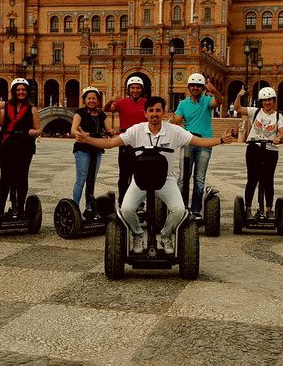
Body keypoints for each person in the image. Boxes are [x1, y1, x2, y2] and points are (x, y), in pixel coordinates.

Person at [76, 96, 233, 254]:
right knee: (127, 209)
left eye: (158, 110)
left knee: (179, 210)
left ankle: (165, 235)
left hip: (166, 180)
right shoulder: (136, 130)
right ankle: (138, 234)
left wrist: (220, 140)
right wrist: (87, 139)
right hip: (140, 180)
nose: (154, 114)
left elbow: (198, 141)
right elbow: (110, 143)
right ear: (145, 113)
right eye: (151, 110)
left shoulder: (174, 131)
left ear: (163, 112)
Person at [171, 73, 223, 218]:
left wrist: (214, 91)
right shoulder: (183, 104)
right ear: (189, 87)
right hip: (188, 142)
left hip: (205, 143)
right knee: (183, 177)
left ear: (202, 88)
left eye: (198, 86)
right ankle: (180, 208)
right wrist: (174, 119)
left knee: (199, 178)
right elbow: (177, 120)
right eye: (193, 85)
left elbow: (219, 101)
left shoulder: (207, 101)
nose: (195, 88)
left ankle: (195, 210)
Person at [233, 87, 283, 219]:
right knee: (252, 179)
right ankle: (248, 208)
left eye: (270, 100)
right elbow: (237, 108)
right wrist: (239, 95)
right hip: (254, 148)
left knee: (268, 179)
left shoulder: (278, 116)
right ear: (261, 101)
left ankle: (268, 209)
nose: (267, 102)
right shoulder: (255, 111)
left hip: (271, 149)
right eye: (264, 100)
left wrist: (278, 138)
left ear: (274, 101)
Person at [0, 78, 42, 218]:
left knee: (22, 177)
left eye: (24, 89)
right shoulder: (6, 106)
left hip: (25, 145)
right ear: (13, 91)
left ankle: (20, 208)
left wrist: (35, 132)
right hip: (8, 145)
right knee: (5, 177)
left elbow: (39, 129)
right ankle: (0, 209)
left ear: (27, 92)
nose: (21, 92)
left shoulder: (32, 109)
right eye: (18, 89)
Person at [71, 86, 114, 217]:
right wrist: (79, 135)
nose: (91, 101)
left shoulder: (101, 114)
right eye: (89, 98)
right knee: (81, 179)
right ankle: (75, 208)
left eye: (94, 98)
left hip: (96, 148)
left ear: (98, 100)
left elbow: (109, 129)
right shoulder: (80, 113)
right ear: (84, 100)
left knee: (92, 179)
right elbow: (73, 129)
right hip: (83, 148)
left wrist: (111, 132)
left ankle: (89, 207)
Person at [104, 76, 147, 205]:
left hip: (141, 141)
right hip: (125, 142)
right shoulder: (122, 102)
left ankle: (139, 203)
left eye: (138, 88)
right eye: (132, 88)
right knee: (124, 175)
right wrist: (110, 100)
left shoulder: (146, 102)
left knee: (140, 174)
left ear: (142, 89)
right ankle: (123, 201)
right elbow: (106, 109)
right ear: (128, 89)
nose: (135, 90)